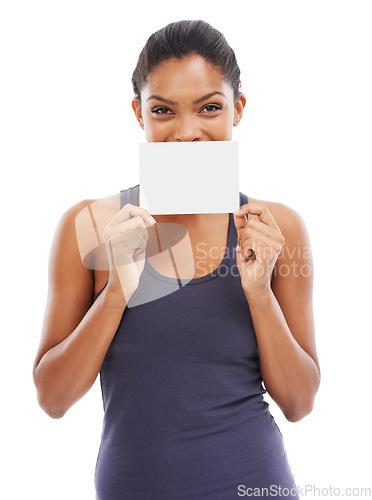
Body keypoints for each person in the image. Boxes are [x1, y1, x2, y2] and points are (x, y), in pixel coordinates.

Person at [32, 19, 321, 500]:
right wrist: (119, 290)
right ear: (138, 113)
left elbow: (300, 403)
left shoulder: (277, 229)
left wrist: (258, 292)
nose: (187, 133)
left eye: (210, 107)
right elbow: (53, 399)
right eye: (163, 110)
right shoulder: (87, 226)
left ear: (238, 109)